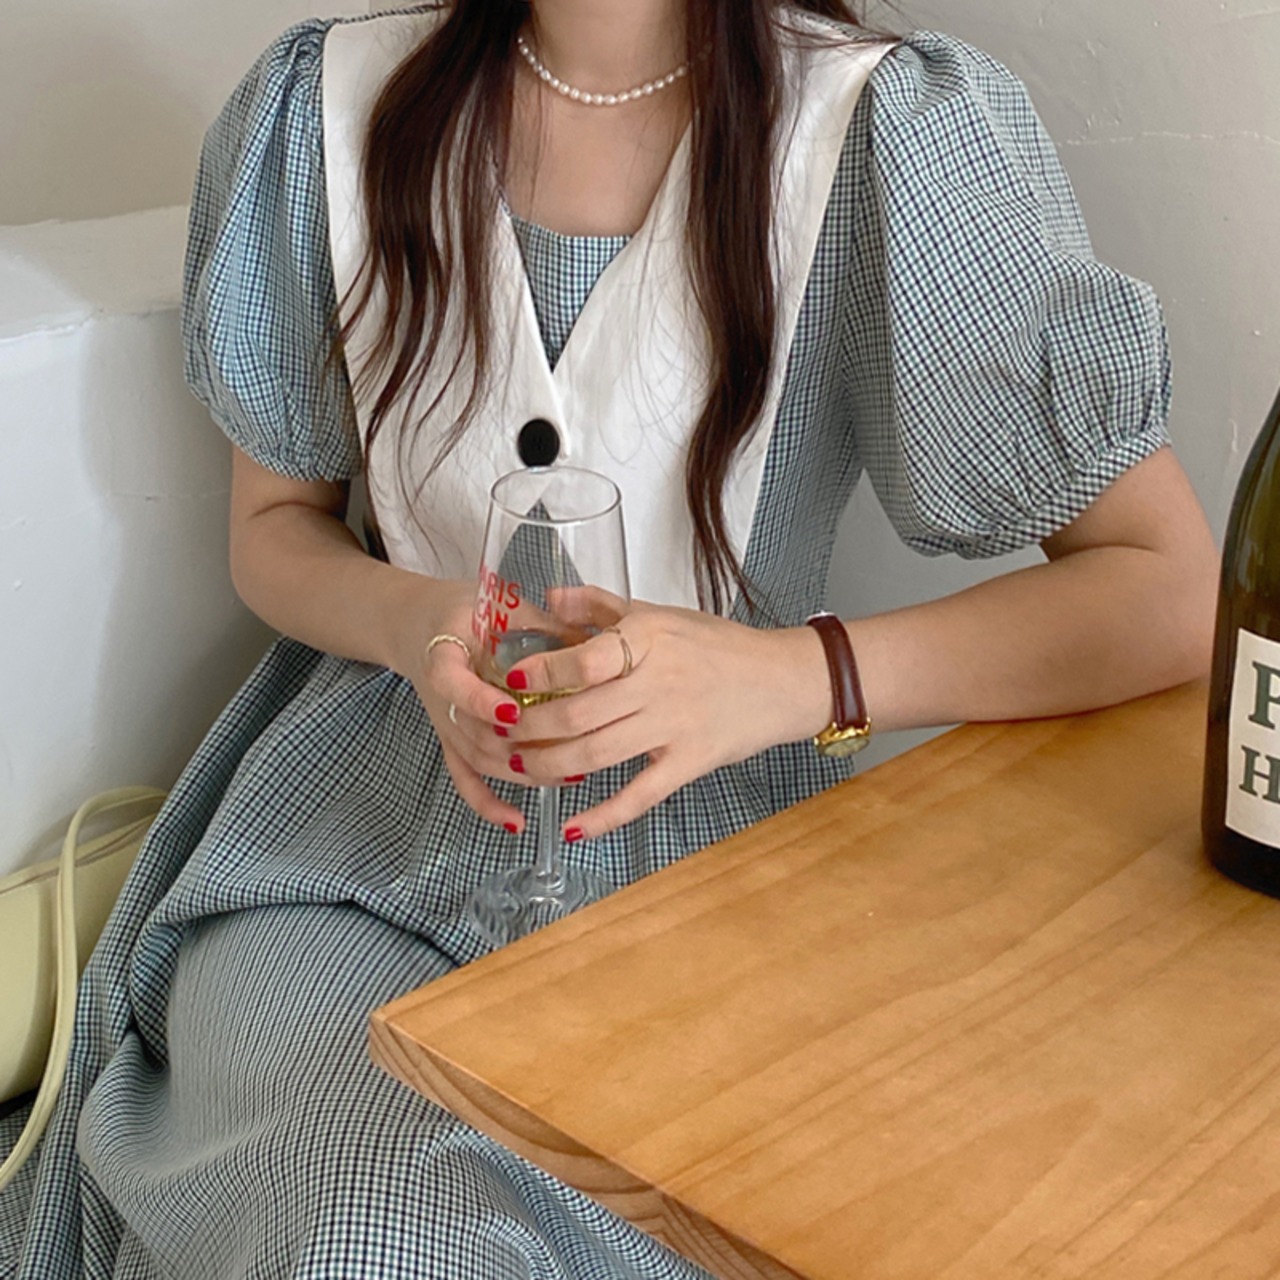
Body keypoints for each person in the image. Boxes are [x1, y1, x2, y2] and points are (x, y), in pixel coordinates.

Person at [1, 0, 1218, 1275]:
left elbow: (1165, 589)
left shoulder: (876, 133)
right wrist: (418, 622)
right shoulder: (327, 107)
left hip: (717, 888)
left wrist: (789, 675)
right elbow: (273, 526)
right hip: (351, 849)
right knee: (368, 1224)